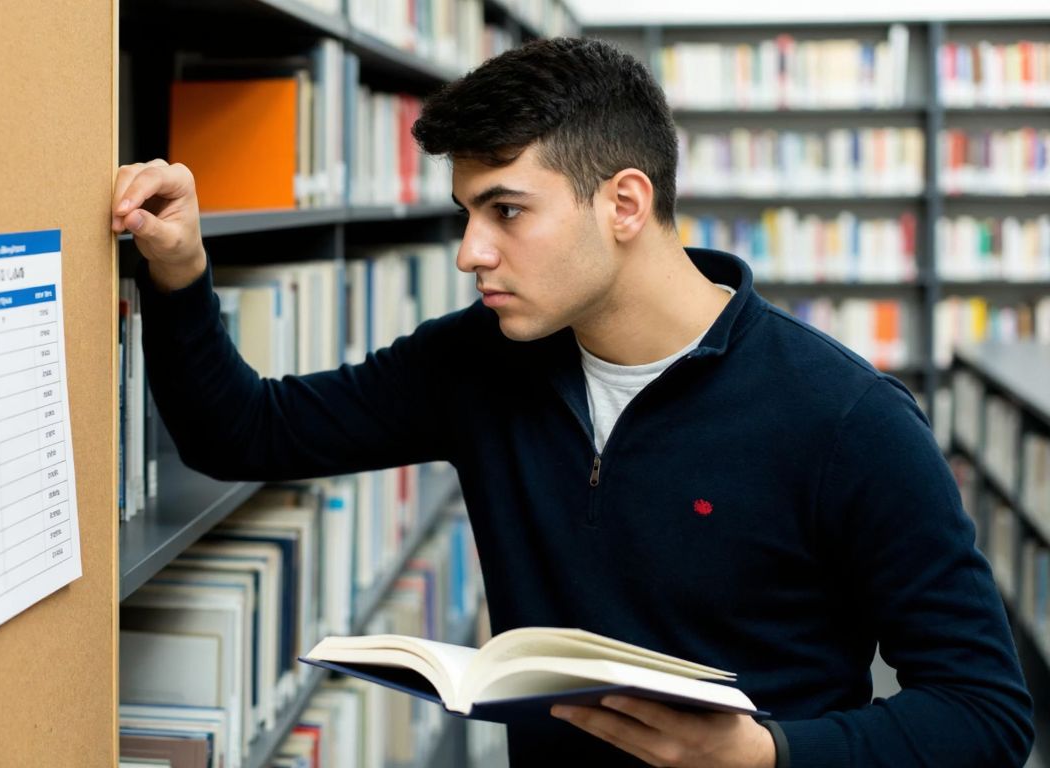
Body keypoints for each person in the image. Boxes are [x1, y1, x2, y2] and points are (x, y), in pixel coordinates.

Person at [110, 37, 1033, 767]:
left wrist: (768, 754)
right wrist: (181, 269)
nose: (471, 251)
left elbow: (984, 712)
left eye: (506, 210)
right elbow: (241, 432)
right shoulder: (479, 363)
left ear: (624, 203)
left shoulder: (846, 418)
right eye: (466, 212)